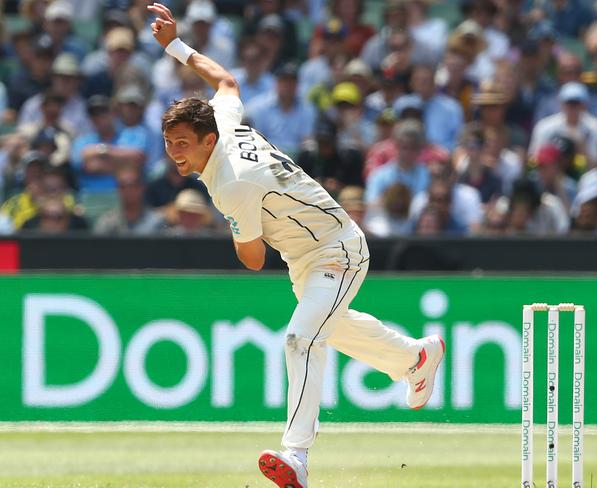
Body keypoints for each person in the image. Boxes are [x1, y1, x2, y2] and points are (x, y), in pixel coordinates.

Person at [147, 5, 446, 488]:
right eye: (169, 143)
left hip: (338, 249)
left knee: (300, 339)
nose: (175, 153)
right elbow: (225, 82)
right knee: (334, 328)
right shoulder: (223, 120)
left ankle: (297, 456)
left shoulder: (231, 184)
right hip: (308, 257)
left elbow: (252, 258)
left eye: (182, 143)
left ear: (206, 140)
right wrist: (175, 47)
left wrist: (233, 221)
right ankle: (415, 358)